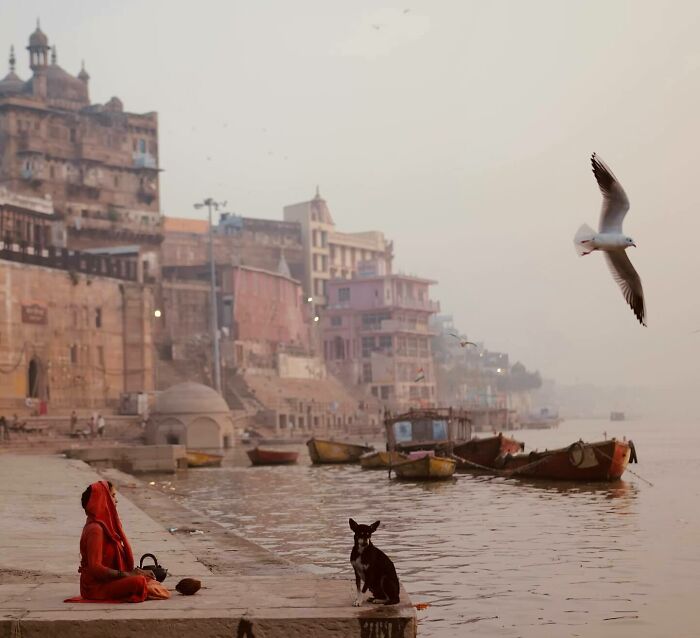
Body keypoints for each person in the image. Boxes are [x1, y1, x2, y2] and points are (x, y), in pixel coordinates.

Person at [75, 480, 170, 602]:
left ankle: (144, 587)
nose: (116, 501)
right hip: (95, 588)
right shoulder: (96, 529)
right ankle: (143, 588)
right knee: (139, 581)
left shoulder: (105, 527)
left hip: (109, 581)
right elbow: (95, 568)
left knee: (147, 579)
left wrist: (135, 572)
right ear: (103, 500)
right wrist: (128, 575)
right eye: (113, 496)